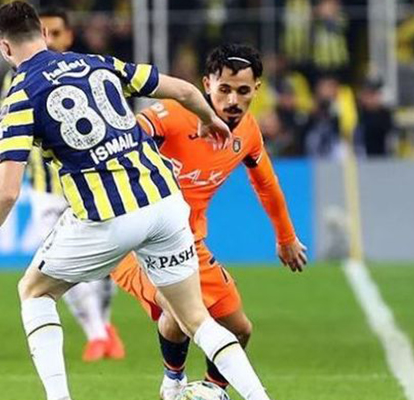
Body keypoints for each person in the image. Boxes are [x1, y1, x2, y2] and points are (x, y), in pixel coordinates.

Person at [0, 3, 273, 400]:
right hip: (165, 202)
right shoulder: (97, 63)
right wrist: (209, 118)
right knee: (197, 320)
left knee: (34, 291)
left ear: (4, 47)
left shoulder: (18, 97)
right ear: (43, 34)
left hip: (107, 215)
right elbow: (186, 91)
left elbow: (6, 191)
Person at [110, 44, 307, 400]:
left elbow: (266, 184)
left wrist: (286, 238)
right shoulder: (173, 115)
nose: (233, 100)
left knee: (240, 329)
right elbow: (123, 139)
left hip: (189, 244)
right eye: (224, 89)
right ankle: (173, 385)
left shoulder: (248, 133)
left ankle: (210, 391)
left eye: (243, 91)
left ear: (256, 89)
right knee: (180, 310)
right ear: (206, 84)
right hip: (136, 240)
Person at [0, 6, 125, 362]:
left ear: (66, 35)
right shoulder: (15, 80)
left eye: (56, 32)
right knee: (59, 264)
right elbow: (3, 133)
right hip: (45, 189)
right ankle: (96, 334)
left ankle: (104, 325)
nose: (50, 37)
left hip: (91, 185)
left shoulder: (83, 70)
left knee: (105, 266)